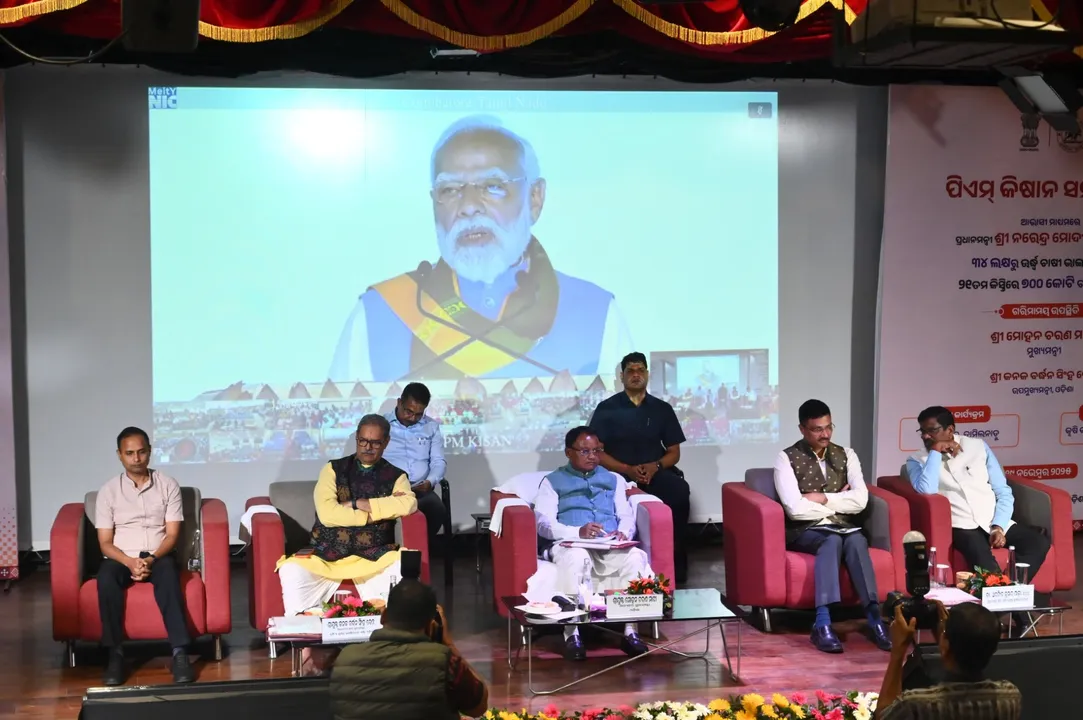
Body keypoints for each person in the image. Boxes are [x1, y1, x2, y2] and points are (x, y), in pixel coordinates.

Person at [330, 114, 631, 382]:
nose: (469, 206)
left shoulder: (596, 314)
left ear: (535, 198)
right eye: (450, 190)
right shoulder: (379, 314)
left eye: (493, 186)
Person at [773, 400, 890, 654]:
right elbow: (795, 509)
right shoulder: (786, 458)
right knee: (831, 540)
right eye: (817, 429)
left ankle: (874, 619)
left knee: (857, 540)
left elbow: (861, 501)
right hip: (805, 530)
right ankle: (822, 623)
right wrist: (841, 501)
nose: (825, 434)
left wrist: (822, 498)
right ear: (802, 429)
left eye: (828, 427)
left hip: (844, 527)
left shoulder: (847, 455)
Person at [277, 414, 418, 615]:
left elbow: (408, 503)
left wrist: (357, 503)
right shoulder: (333, 469)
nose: (367, 447)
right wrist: (371, 515)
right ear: (356, 438)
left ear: (386, 442)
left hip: (375, 556)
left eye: (375, 442)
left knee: (404, 565)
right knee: (292, 569)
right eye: (363, 441)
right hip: (326, 554)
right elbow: (327, 514)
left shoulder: (397, 476)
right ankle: (305, 629)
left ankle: (385, 627)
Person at [534, 426, 652, 661]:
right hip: (571, 544)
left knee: (636, 557)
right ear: (569, 452)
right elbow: (543, 523)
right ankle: (572, 633)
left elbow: (625, 515)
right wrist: (577, 531)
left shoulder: (613, 479)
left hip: (608, 544)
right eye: (585, 451)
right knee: (578, 558)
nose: (592, 456)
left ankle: (631, 632)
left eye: (597, 451)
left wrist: (624, 532)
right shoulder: (552, 482)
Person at [94, 426, 195, 686]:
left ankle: (180, 653)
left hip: (158, 555)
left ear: (150, 452)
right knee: (105, 578)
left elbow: (172, 535)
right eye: (129, 453)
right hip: (121, 558)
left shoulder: (168, 485)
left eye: (141, 452)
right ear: (119, 455)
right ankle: (115, 654)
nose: (136, 459)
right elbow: (105, 543)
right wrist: (129, 562)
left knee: (169, 574)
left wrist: (150, 559)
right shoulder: (108, 491)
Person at [907, 406, 1050, 583]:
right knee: (985, 562)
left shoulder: (978, 447)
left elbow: (1003, 491)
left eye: (931, 431)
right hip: (961, 525)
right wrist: (935, 451)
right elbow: (926, 489)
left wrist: (998, 526)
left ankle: (1012, 589)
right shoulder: (916, 460)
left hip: (992, 520)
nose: (925, 436)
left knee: (1038, 542)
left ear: (950, 430)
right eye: (922, 431)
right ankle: (1007, 596)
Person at [589, 352, 691, 582]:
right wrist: (626, 469)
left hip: (654, 473)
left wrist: (656, 465)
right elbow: (597, 452)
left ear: (647, 374)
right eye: (630, 371)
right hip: (618, 475)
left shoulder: (662, 409)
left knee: (679, 491)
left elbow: (674, 452)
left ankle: (675, 569)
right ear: (622, 376)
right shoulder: (607, 408)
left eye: (640, 370)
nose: (636, 375)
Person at [329, 579, 489, 720]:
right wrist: (448, 644)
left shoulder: (345, 658)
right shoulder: (444, 662)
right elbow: (478, 707)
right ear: (430, 625)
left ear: (383, 616)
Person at [876, 602, 1021, 719]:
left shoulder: (915, 705)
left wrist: (898, 650)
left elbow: (883, 715)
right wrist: (944, 637)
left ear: (945, 645)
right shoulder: (1010, 697)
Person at [383, 382, 447, 543]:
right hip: (389, 490)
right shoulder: (381, 425)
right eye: (408, 411)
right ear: (399, 402)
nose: (412, 418)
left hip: (420, 490)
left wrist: (430, 481)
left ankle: (419, 550)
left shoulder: (431, 427)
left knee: (437, 509)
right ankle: (392, 551)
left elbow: (438, 461)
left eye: (419, 414)